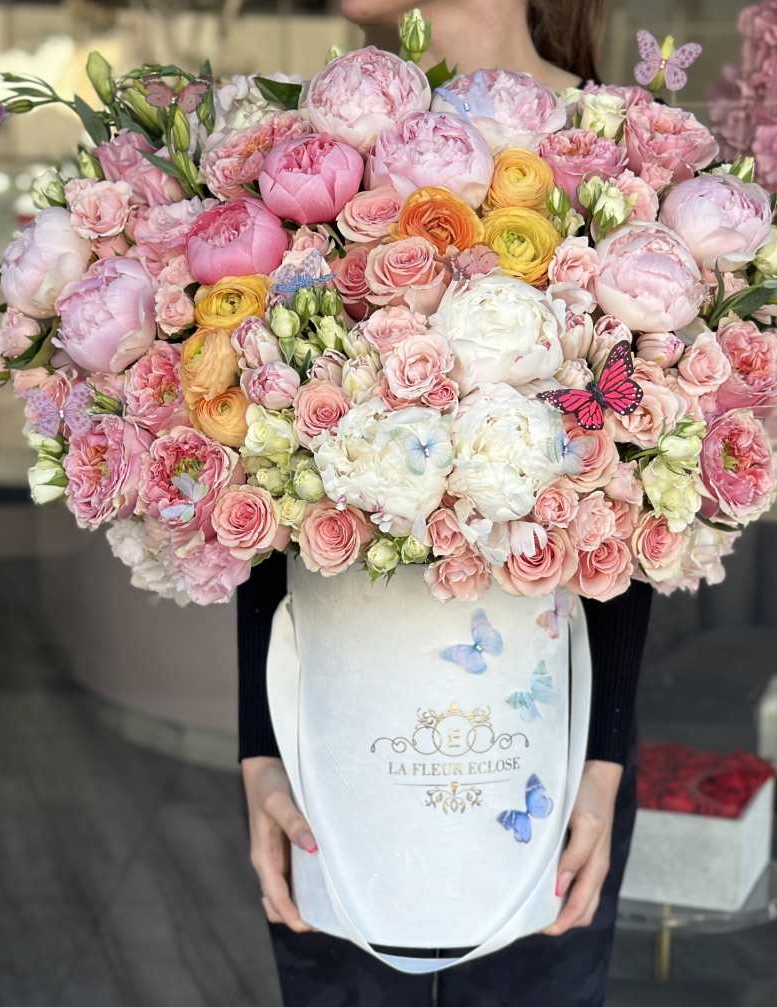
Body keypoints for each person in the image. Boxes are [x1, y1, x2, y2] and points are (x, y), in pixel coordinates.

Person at [238, 2, 654, 1004]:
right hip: (332, 749)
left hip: (541, 760)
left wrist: (603, 758)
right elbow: (246, 472)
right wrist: (259, 744)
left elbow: (637, 501)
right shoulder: (317, 165)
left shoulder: (618, 160)